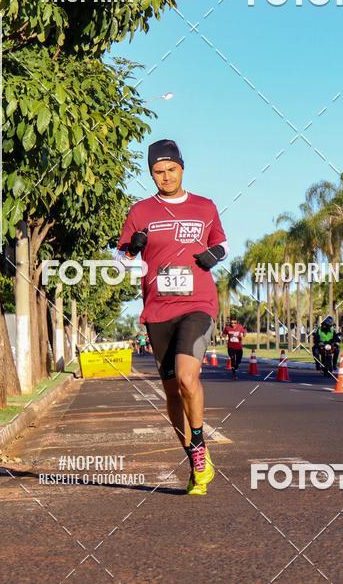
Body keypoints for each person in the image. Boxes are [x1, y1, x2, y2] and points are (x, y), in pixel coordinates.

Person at [117, 139, 228, 496]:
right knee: (170, 392)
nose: (165, 176)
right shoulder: (140, 212)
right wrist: (132, 248)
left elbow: (223, 243)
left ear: (182, 168)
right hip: (158, 309)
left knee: (186, 377)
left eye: (171, 169)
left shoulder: (204, 206)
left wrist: (215, 255)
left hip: (198, 304)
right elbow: (121, 261)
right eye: (158, 172)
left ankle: (198, 445)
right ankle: (197, 462)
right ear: (151, 174)